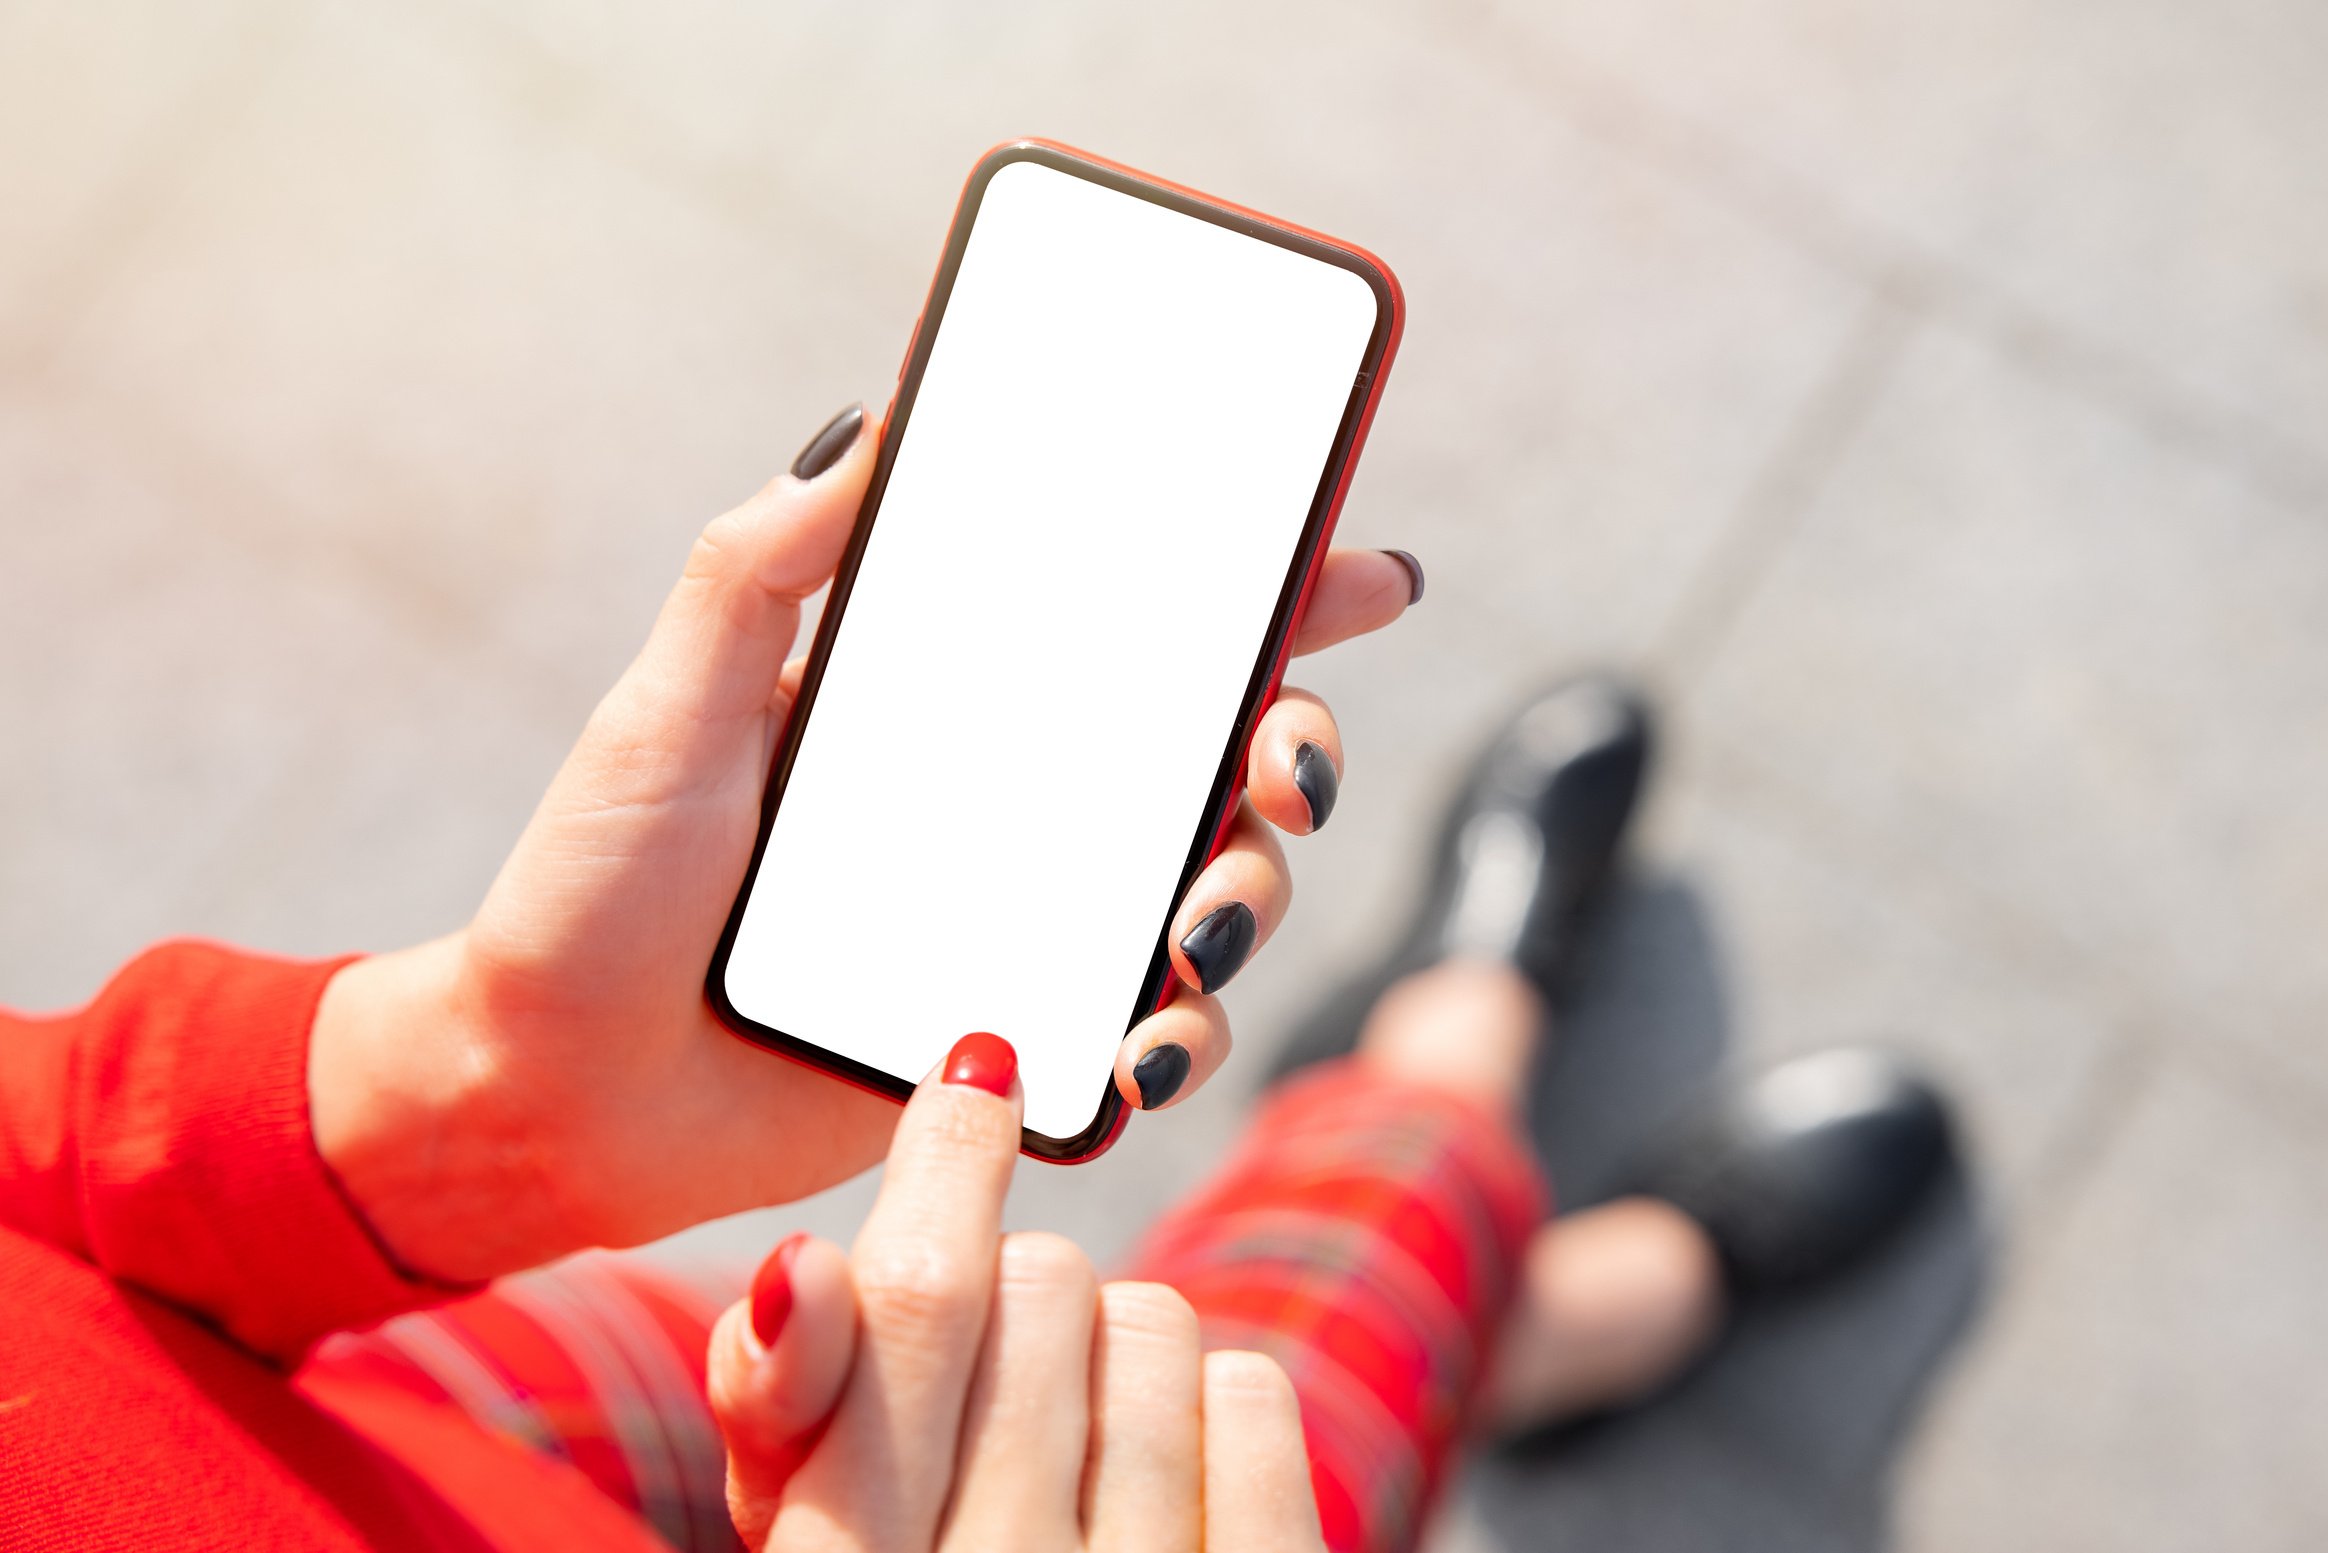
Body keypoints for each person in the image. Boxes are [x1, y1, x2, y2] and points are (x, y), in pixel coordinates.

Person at [0, 404, 1948, 1552]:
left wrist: (460, 1115)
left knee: (1017, 1380)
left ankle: (1487, 1276)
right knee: (1219, 1415)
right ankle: (1468, 1129)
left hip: (336, 1426)